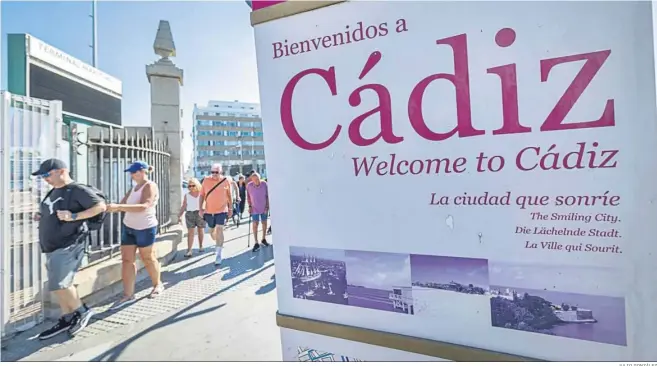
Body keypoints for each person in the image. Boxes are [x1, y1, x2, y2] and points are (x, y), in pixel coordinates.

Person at [32, 158, 107, 340]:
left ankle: (82, 311)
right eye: (42, 176)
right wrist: (40, 216)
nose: (44, 179)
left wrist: (74, 215)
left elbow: (100, 206)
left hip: (69, 244)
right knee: (58, 285)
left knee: (60, 283)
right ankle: (67, 317)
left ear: (61, 171)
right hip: (52, 245)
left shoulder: (77, 190)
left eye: (46, 174)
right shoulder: (54, 191)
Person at [107, 161, 163, 310]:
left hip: (145, 227)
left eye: (134, 172)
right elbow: (123, 204)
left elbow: (145, 205)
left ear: (143, 171)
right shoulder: (133, 188)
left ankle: (157, 285)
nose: (132, 175)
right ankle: (128, 294)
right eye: (131, 172)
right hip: (129, 227)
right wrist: (108, 207)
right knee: (127, 260)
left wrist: (119, 207)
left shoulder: (150, 186)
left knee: (148, 258)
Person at [199, 163, 233, 265]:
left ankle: (218, 254)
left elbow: (229, 195)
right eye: (212, 172)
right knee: (212, 232)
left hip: (222, 210)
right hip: (209, 211)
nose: (214, 174)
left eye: (216, 172)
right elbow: (201, 195)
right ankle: (217, 243)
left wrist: (230, 208)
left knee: (219, 229)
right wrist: (200, 208)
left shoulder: (225, 180)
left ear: (221, 172)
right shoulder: (206, 180)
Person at [179, 178, 206, 257]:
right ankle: (189, 250)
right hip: (190, 214)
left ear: (197, 185)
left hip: (200, 213)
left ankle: (201, 246)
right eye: (189, 186)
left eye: (193, 185)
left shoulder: (201, 194)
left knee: (200, 230)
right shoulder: (186, 195)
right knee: (190, 232)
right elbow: (184, 206)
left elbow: (205, 203)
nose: (191, 187)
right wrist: (179, 215)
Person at [247, 172, 270, 252]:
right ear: (252, 180)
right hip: (254, 208)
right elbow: (248, 197)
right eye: (254, 180)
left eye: (257, 179)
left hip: (264, 207)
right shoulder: (249, 185)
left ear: (260, 178)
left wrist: (267, 206)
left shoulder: (264, 184)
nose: (256, 181)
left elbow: (268, 196)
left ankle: (263, 239)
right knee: (255, 224)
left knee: (264, 222)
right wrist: (249, 206)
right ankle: (256, 242)